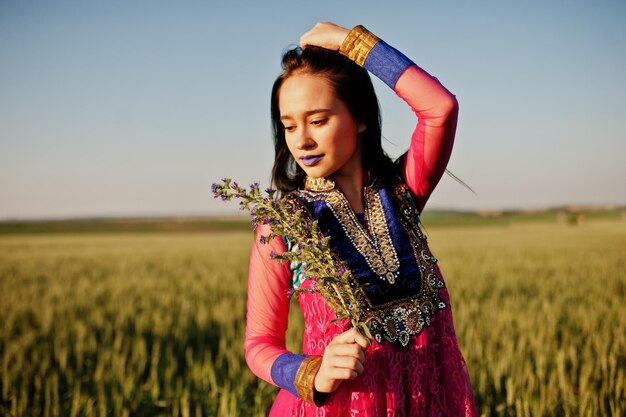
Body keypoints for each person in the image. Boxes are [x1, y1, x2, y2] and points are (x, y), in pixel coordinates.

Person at [245, 22, 478, 416]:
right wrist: (312, 373)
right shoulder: (284, 225)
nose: (301, 140)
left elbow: (440, 108)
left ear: (362, 118)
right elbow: (259, 344)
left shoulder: (402, 193)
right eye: (288, 126)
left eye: (318, 121)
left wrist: (351, 44)